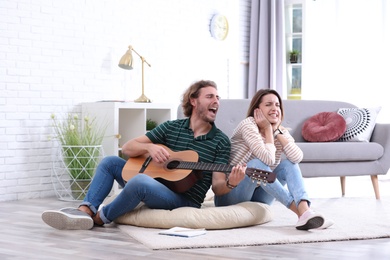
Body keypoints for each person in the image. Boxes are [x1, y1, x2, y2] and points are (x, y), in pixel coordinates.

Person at [42, 80, 245, 230]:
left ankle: (101, 217)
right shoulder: (171, 127)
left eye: (218, 97)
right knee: (110, 162)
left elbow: (218, 185)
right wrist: (150, 148)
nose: (216, 101)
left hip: (183, 198)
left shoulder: (220, 141)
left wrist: (231, 183)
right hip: (155, 180)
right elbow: (129, 147)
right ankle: (86, 210)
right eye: (210, 96)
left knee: (139, 182)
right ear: (193, 100)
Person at [213, 89, 333, 230]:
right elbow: (268, 159)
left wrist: (277, 132)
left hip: (258, 195)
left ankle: (305, 210)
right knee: (257, 164)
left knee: (289, 164)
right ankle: (300, 213)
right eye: (269, 104)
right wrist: (268, 131)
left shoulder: (280, 130)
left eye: (277, 105)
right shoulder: (248, 125)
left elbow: (297, 158)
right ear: (257, 110)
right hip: (231, 193)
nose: (274, 108)